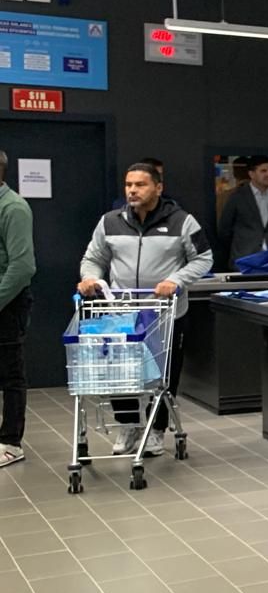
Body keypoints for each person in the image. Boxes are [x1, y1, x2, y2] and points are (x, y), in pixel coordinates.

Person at [79, 163, 214, 455]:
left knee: (162, 376)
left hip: (165, 313)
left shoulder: (183, 221)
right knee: (120, 372)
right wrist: (90, 277)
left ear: (158, 188)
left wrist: (175, 280)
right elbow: (93, 257)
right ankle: (128, 426)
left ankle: (156, 429)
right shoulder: (110, 222)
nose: (132, 190)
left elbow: (203, 258)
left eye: (140, 185)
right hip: (121, 313)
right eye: (129, 185)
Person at [0, 152, 36, 469]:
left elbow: (22, 266)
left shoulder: (13, 207)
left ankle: (10, 442)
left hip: (7, 304)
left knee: (10, 373)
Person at [216, 156, 268, 270]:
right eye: (263, 171)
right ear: (251, 174)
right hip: (245, 259)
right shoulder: (237, 197)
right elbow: (224, 230)